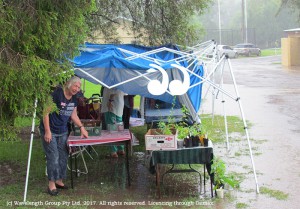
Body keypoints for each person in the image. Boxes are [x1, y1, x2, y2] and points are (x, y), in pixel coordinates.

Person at [40, 76, 88, 196]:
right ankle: (51, 185)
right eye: (75, 86)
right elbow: (45, 112)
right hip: (50, 130)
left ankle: (59, 181)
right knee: (53, 156)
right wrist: (47, 131)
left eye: (78, 87)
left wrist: (82, 128)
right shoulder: (57, 94)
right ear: (68, 84)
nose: (76, 89)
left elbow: (73, 115)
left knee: (63, 155)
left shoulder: (75, 98)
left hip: (63, 131)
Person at [101, 87, 126, 158]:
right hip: (119, 105)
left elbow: (112, 92)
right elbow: (125, 93)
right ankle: (121, 148)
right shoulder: (122, 79)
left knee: (111, 129)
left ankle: (113, 151)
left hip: (112, 106)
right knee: (119, 127)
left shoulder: (111, 78)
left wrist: (110, 100)